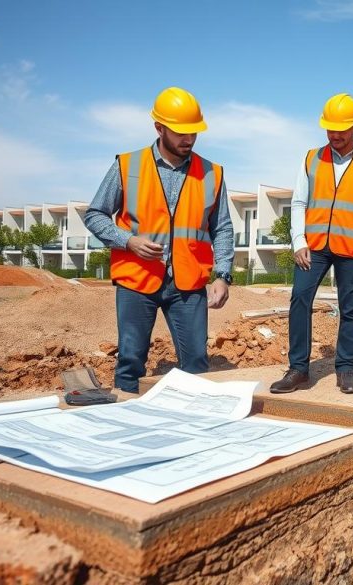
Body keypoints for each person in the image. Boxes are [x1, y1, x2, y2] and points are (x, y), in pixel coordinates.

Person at [84, 86, 234, 393]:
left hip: (188, 282)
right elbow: (95, 214)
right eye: (180, 132)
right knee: (130, 362)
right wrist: (128, 241)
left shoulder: (212, 173)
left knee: (196, 364)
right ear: (159, 127)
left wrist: (223, 275)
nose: (188, 139)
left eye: (193, 132)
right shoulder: (128, 165)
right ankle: (125, 421)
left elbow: (223, 228)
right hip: (137, 280)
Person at [270, 93, 353, 395]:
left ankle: (346, 369)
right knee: (300, 298)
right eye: (330, 129)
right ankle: (298, 369)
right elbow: (298, 202)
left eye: (341, 129)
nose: (335, 135)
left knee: (349, 307)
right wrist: (297, 240)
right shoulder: (312, 158)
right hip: (313, 246)